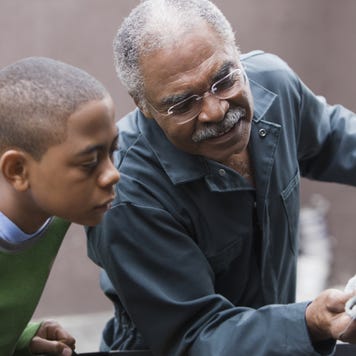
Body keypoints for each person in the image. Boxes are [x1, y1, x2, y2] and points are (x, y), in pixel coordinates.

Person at [86, 0, 356, 355]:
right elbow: (194, 336)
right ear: (143, 105)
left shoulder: (273, 86)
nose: (216, 111)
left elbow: (336, 138)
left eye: (224, 80)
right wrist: (308, 322)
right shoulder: (126, 195)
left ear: (236, 55)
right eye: (183, 104)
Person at [0, 57, 120, 356]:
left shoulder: (56, 211)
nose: (112, 174)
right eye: (89, 162)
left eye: (112, 151)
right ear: (17, 170)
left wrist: (20, 340)